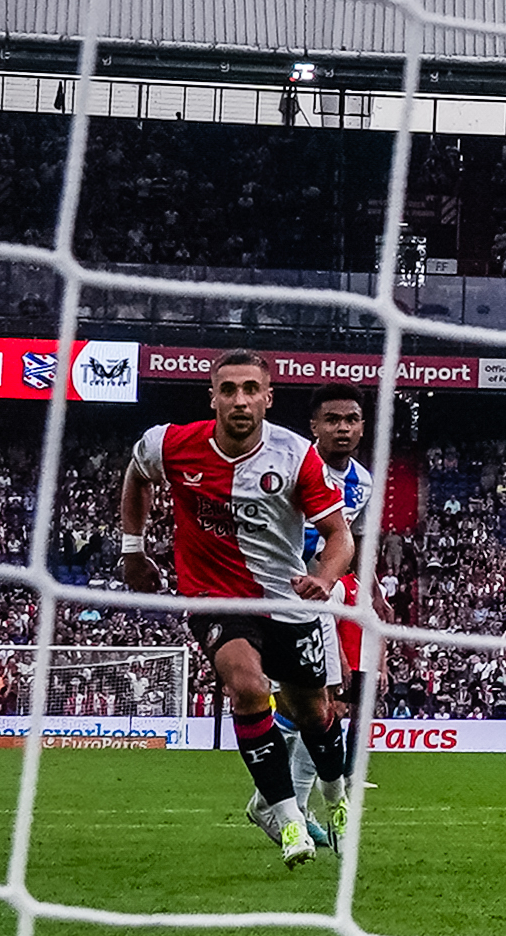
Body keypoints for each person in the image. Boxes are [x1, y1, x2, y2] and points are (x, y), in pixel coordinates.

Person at [120, 349, 355, 866]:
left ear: (268, 398)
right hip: (215, 598)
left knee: (315, 714)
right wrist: (132, 550)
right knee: (247, 687)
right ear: (214, 397)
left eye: (251, 389)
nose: (240, 400)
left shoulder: (296, 456)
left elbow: (340, 536)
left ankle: (338, 799)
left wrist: (323, 576)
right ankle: (287, 820)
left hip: (288, 601)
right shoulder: (172, 444)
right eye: (229, 389)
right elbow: (136, 475)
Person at [301, 387, 383, 779]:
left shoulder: (362, 482)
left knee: (317, 695)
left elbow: (358, 538)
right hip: (274, 581)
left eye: (351, 420)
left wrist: (374, 589)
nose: (342, 428)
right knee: (303, 694)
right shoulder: (293, 465)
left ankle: (306, 792)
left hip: (317, 587)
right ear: (314, 425)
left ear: (363, 428)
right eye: (332, 420)